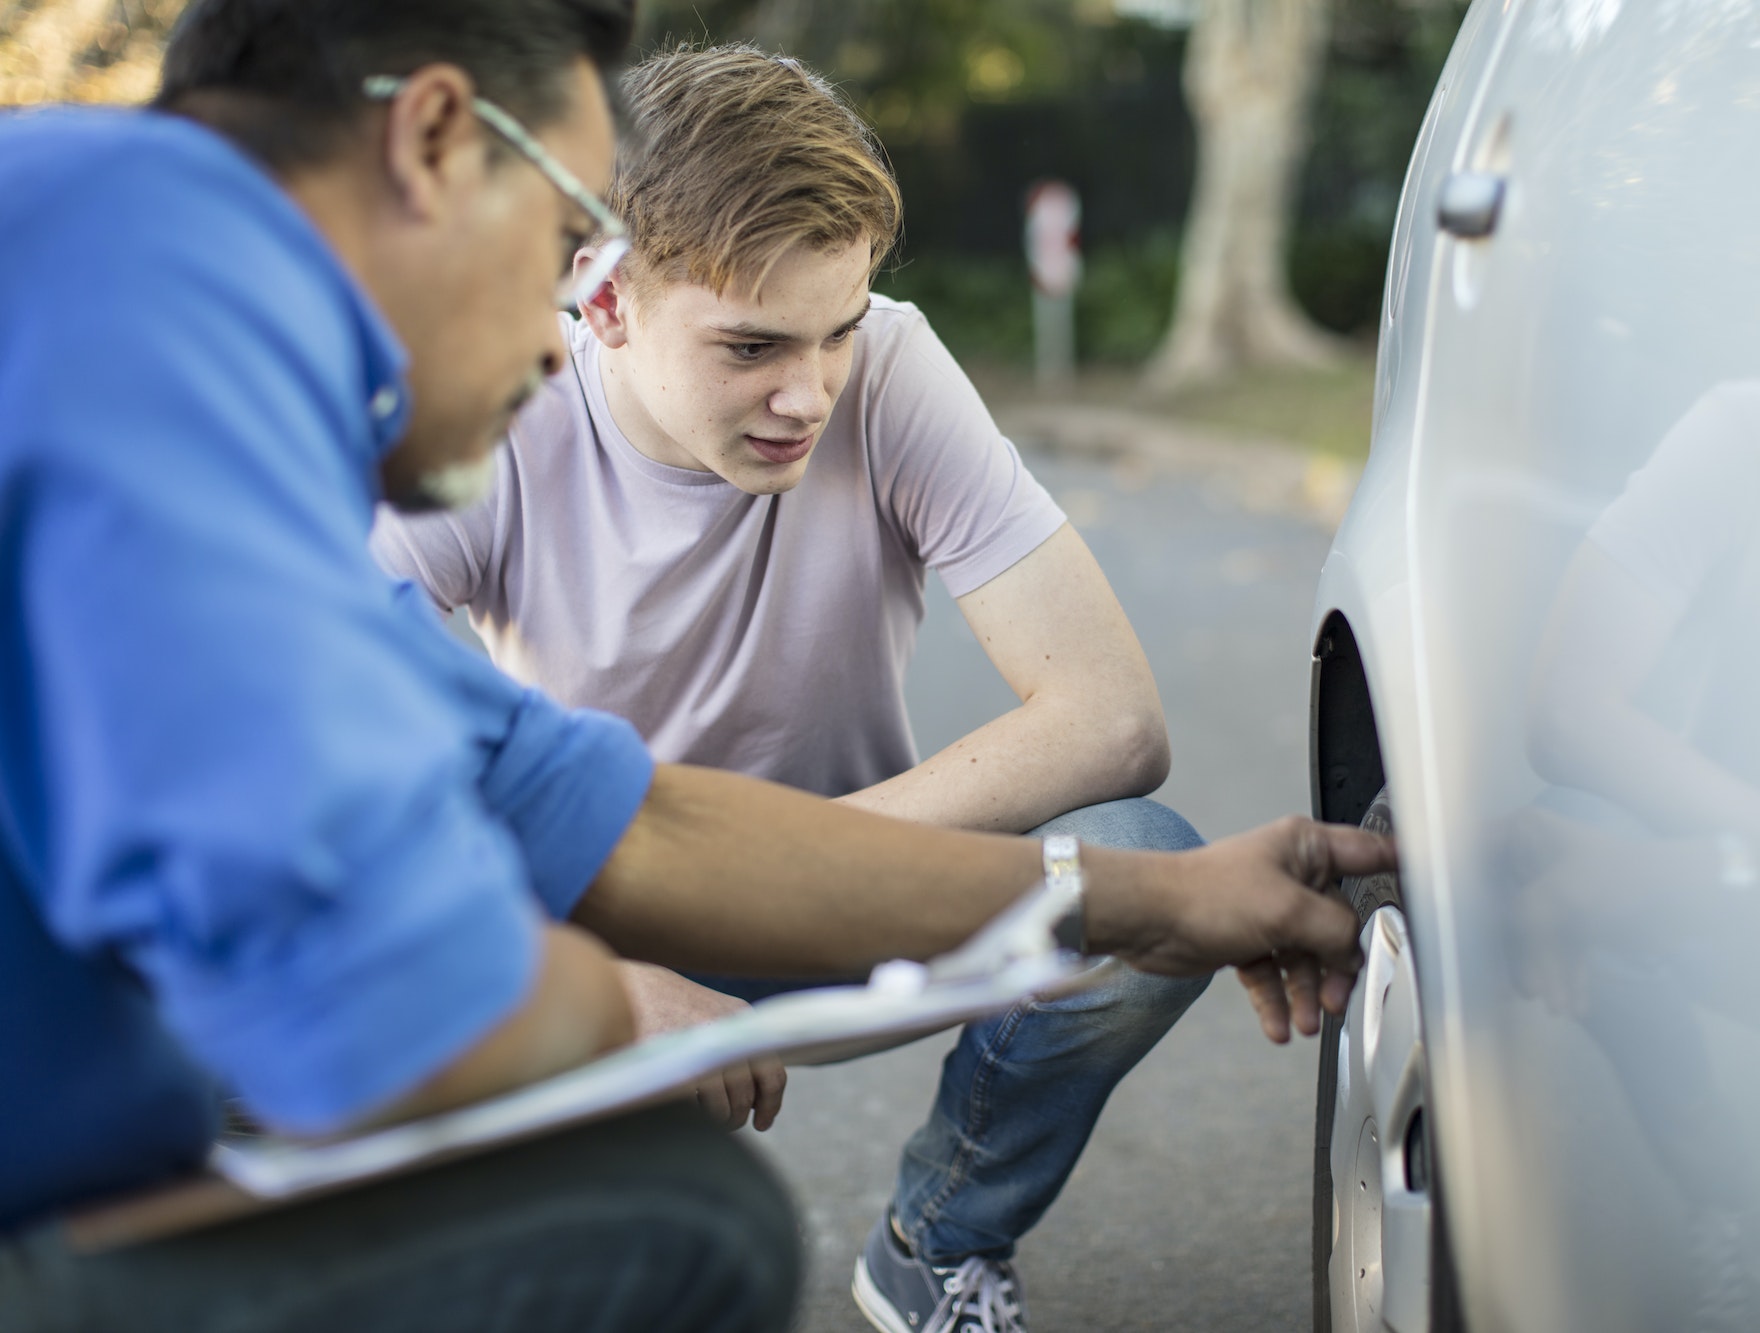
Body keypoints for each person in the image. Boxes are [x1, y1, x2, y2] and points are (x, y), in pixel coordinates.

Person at [0, 3, 1392, 1331]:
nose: (562, 315)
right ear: (433, 144)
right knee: (676, 1222)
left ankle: (937, 1236)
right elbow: (346, 974)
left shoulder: (150, 284)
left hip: (112, 1144)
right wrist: (611, 996)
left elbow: (592, 808)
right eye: (564, 242)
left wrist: (1150, 894)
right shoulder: (143, 347)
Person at [369, 45, 1209, 1330]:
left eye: (837, 331)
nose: (806, 392)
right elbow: (341, 773)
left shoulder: (891, 366)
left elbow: (1112, 718)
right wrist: (592, 965)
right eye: (750, 345)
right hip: (596, 919)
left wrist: (784, 866)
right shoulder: (485, 410)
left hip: (852, 901)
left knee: (1141, 864)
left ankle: (939, 1239)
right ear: (602, 304)